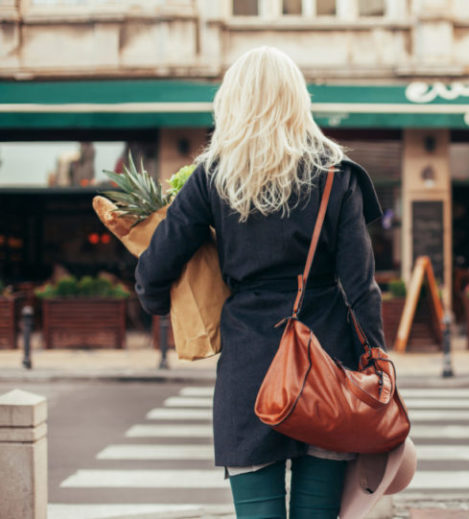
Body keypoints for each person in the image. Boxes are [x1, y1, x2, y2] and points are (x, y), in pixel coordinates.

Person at [134, 47, 386, 518]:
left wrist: (162, 302)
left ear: (232, 102)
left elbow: (154, 270)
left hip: (250, 364)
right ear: (298, 101)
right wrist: (378, 360)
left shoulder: (212, 178)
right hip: (327, 364)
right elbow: (361, 286)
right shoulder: (337, 176)